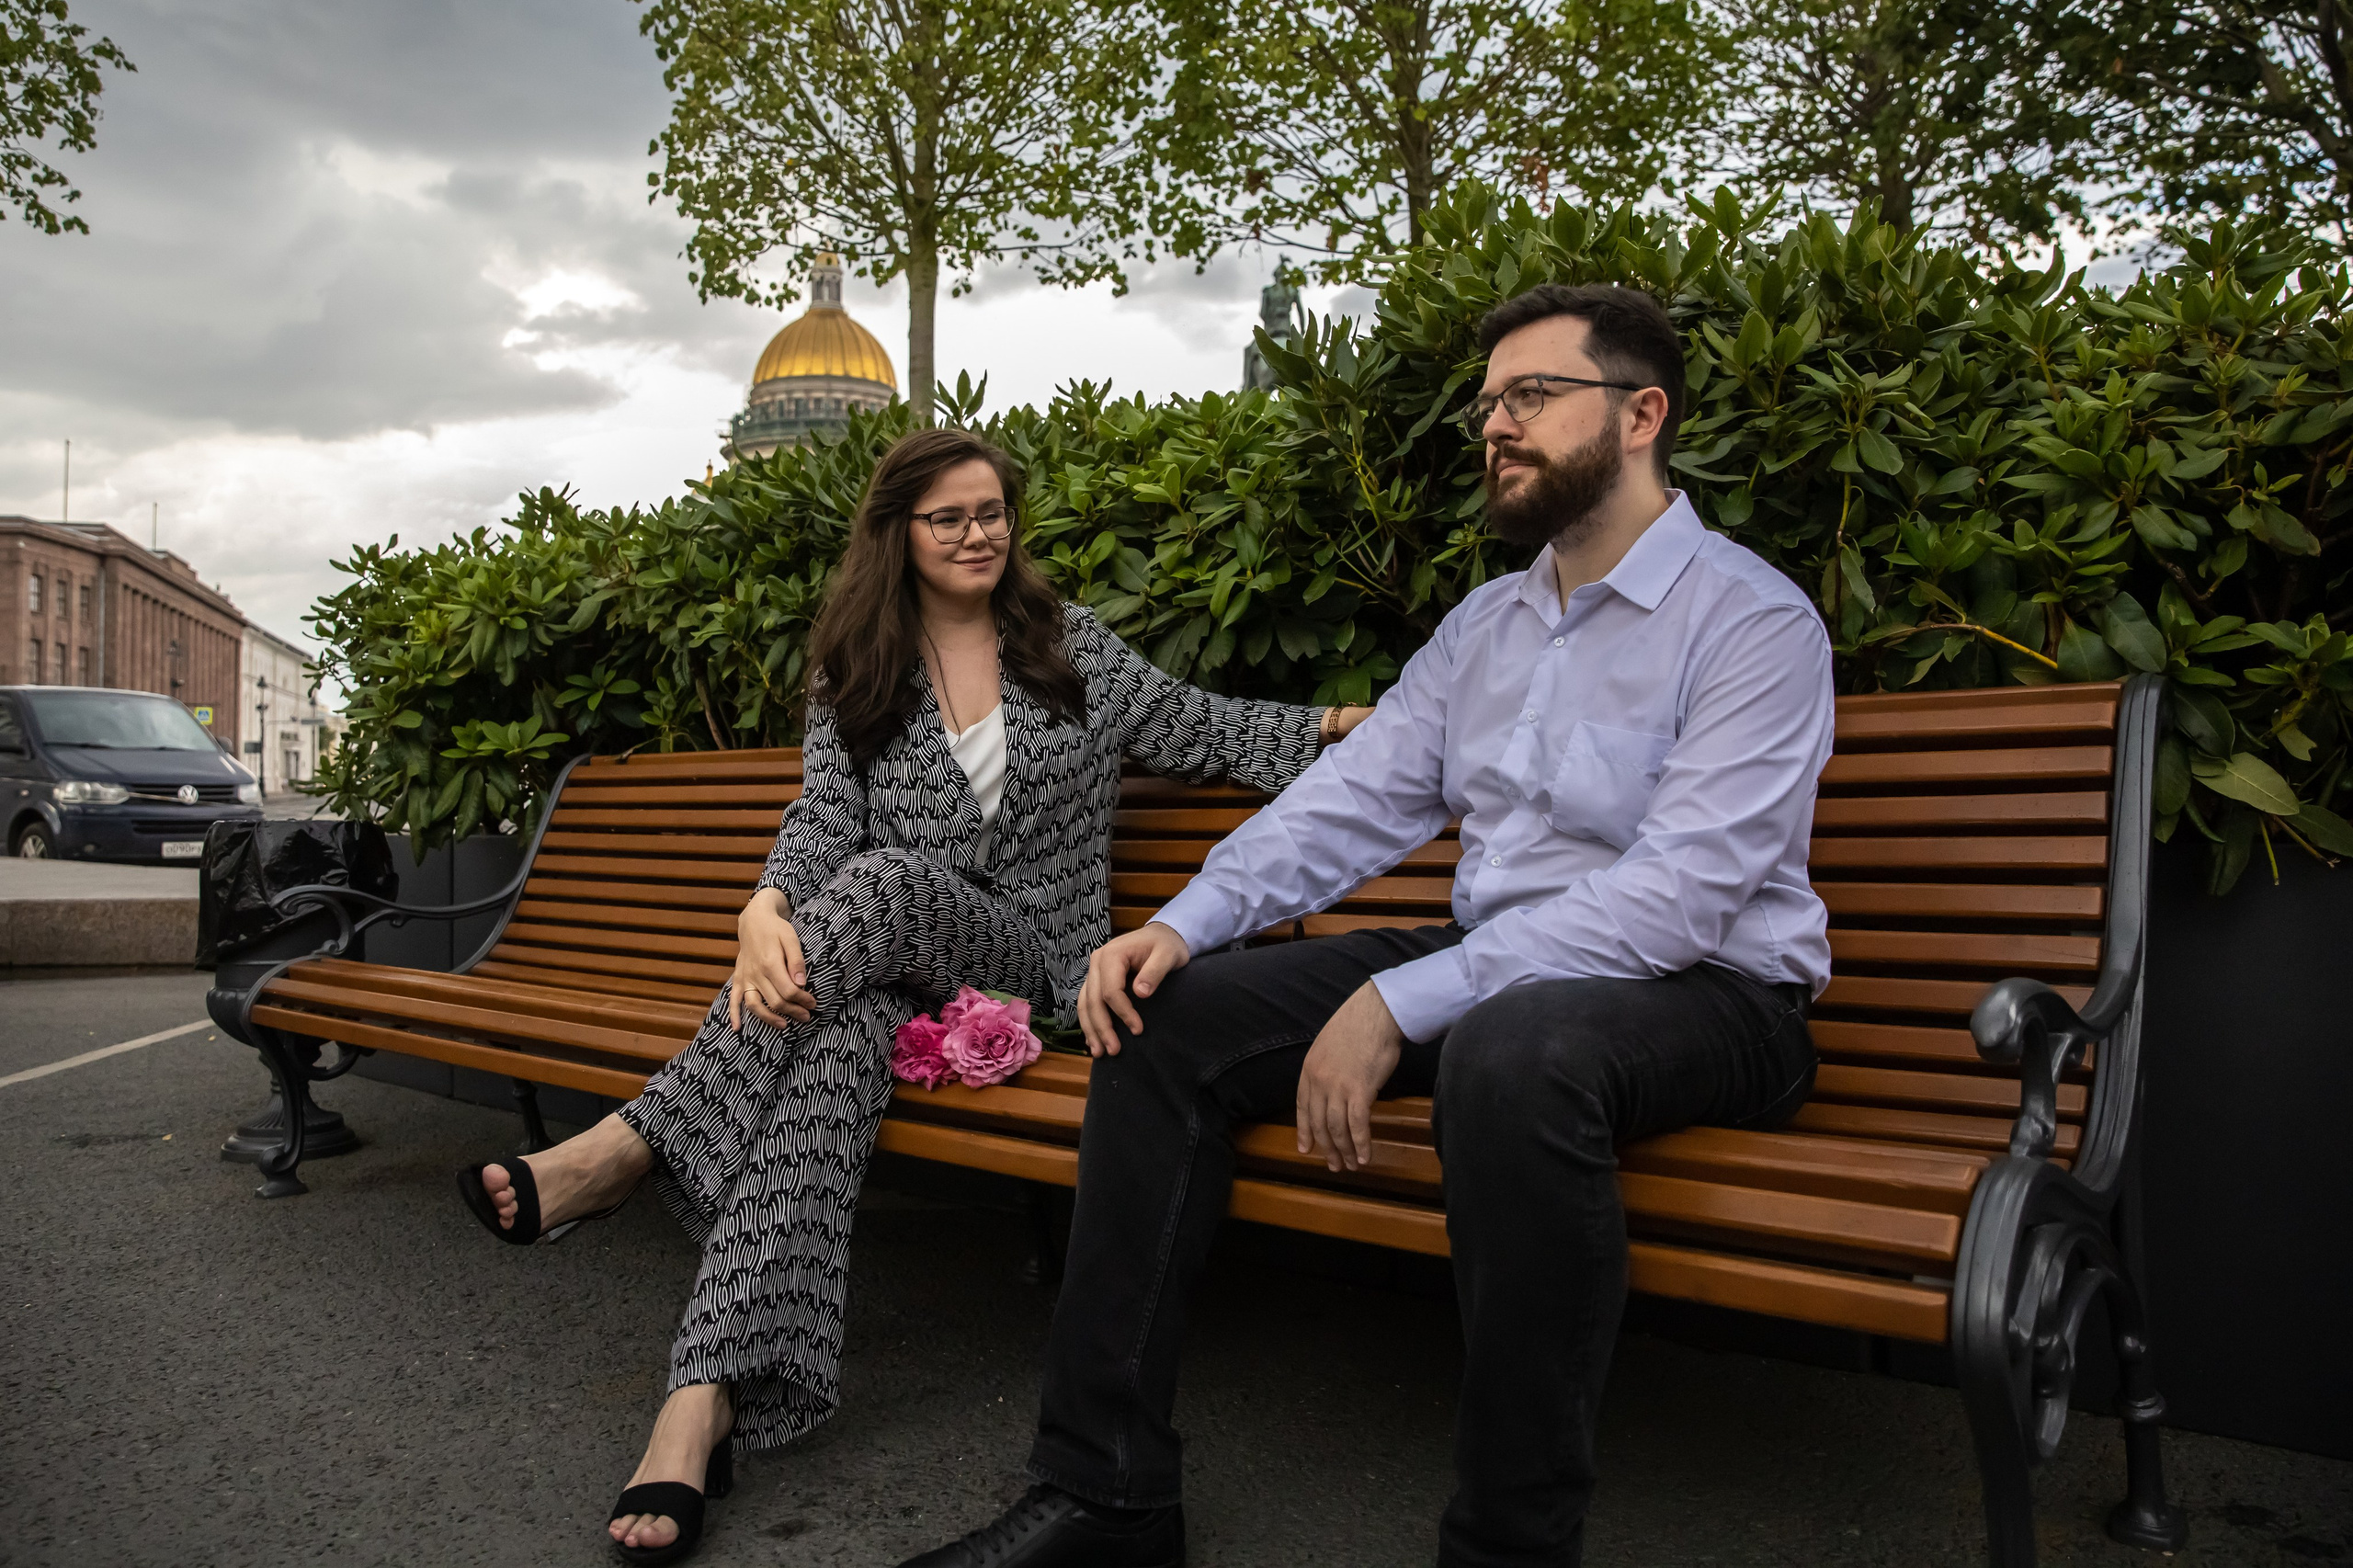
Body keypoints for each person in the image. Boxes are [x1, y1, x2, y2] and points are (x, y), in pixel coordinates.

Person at [903, 284, 1836, 1568]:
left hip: (1711, 991)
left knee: (1514, 1057)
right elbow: (1352, 797)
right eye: (1489, 403)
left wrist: (1405, 1001)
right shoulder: (1489, 626)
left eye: (1531, 396)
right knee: (1160, 1019)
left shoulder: (1752, 621)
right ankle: (1105, 1493)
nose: (1495, 426)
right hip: (1504, 972)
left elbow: (1680, 892)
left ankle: (1509, 1548)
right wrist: (1183, 923)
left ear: (1642, 414)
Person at [451, 426, 1373, 1565]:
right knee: (830, 1054)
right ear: (898, 533)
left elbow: (1210, 726)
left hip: (1034, 969)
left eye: (991, 511)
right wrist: (761, 906)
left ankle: (634, 1141)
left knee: (881, 882)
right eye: (950, 517)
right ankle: (698, 1405)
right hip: (891, 982)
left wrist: (1350, 724)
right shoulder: (855, 669)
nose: (978, 532)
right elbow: (823, 823)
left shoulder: (1068, 645)